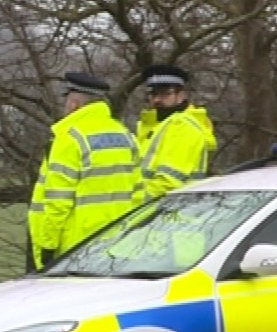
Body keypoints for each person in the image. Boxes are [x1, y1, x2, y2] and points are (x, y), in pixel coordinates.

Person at [28, 71, 142, 270]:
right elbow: (138, 194)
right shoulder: (125, 136)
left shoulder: (69, 139)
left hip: (75, 251)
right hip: (118, 247)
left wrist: (48, 245)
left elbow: (58, 202)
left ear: (74, 104)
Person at [135, 64, 217, 200]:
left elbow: (168, 184)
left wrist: (128, 202)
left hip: (168, 210)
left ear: (181, 94)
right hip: (158, 209)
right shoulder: (154, 125)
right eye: (153, 94)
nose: (157, 100)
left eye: (165, 93)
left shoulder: (183, 126)